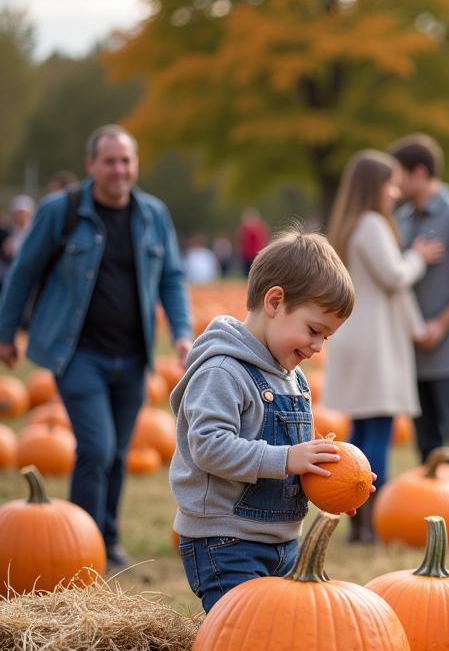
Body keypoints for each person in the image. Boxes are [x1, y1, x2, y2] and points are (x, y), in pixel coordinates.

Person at [0, 125, 192, 570]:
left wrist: (182, 330)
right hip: (78, 354)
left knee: (120, 453)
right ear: (92, 166)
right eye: (109, 161)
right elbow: (23, 272)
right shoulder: (62, 211)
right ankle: (78, 547)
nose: (119, 169)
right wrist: (7, 333)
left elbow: (172, 278)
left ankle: (106, 539)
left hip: (133, 354)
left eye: (126, 160)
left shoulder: (153, 215)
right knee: (97, 447)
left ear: (135, 164)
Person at [170, 231, 357, 612]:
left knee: (277, 643)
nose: (319, 346)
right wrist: (287, 459)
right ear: (275, 301)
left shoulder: (290, 374)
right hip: (227, 541)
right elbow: (207, 445)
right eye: (314, 330)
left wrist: (336, 482)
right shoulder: (222, 371)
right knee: (241, 641)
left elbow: (290, 452)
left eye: (327, 336)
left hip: (284, 541)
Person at [322, 150, 443, 542]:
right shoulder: (372, 223)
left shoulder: (346, 225)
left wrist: (414, 325)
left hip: (355, 337)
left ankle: (355, 515)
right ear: (375, 187)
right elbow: (394, 277)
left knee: (361, 427)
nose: (395, 191)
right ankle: (370, 518)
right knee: (378, 428)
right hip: (374, 341)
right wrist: (418, 257)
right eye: (389, 184)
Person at [388, 133, 449, 475]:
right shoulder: (399, 219)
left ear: (418, 172)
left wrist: (440, 324)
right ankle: (435, 508)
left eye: (397, 172)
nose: (393, 181)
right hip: (412, 353)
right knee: (425, 440)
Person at [0, 195, 36, 287]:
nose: (19, 217)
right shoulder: (8, 233)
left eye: (22, 213)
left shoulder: (34, 231)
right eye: (17, 213)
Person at [237, 207, 270, 274]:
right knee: (247, 273)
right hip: (246, 256)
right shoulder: (244, 228)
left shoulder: (259, 227)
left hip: (256, 255)